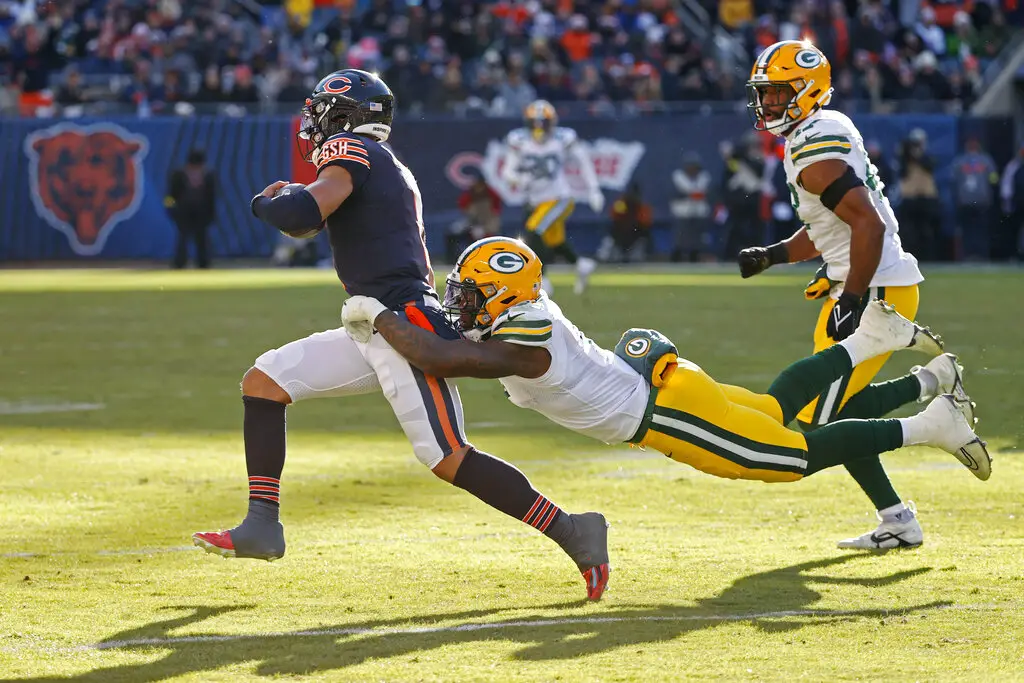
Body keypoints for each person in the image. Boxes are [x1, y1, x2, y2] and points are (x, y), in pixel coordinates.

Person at [191, 71, 610, 602]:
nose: (314, 122)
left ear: (344, 116)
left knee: (447, 455)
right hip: (373, 320)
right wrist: (293, 203)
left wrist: (267, 199)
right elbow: (309, 219)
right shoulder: (380, 162)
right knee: (265, 382)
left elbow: (301, 213)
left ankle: (574, 530)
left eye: (322, 110)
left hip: (402, 322)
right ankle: (262, 523)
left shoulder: (350, 149)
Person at [341, 238, 989, 517]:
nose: (462, 305)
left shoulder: (525, 340)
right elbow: (455, 337)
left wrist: (378, 317)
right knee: (771, 407)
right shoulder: (515, 317)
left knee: (786, 457)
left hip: (662, 413)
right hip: (665, 388)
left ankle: (928, 422)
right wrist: (409, 315)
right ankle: (894, 354)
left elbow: (450, 359)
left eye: (472, 294)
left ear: (505, 298)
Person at [737, 41, 946, 550]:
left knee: (814, 423)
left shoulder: (813, 146)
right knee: (835, 410)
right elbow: (832, 226)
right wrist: (775, 254)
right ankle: (898, 517)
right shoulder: (819, 130)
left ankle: (932, 406)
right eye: (763, 93)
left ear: (807, 91)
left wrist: (853, 298)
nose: (767, 104)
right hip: (867, 281)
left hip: (872, 287)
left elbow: (867, 225)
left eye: (778, 92)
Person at [502, 99, 603, 295]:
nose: (539, 127)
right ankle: (581, 264)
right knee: (554, 240)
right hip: (536, 201)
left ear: (552, 122)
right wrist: (518, 179)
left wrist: (593, 190)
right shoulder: (520, 141)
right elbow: (508, 171)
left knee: (533, 230)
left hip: (559, 197)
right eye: (535, 122)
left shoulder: (562, 139)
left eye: (544, 122)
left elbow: (583, 162)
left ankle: (543, 279)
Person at [165, 149, 216, 269]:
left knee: (201, 238)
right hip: (184, 212)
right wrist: (171, 208)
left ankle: (203, 263)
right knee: (183, 238)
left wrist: (211, 213)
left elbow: (211, 197)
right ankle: (180, 262)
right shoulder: (179, 175)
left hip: (201, 212)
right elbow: (171, 195)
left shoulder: (207, 175)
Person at [951, 137, 999, 260]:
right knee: (979, 229)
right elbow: (994, 179)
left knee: (970, 230)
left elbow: (953, 180)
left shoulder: (960, 161)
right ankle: (979, 254)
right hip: (980, 200)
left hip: (967, 200)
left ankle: (972, 254)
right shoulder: (985, 160)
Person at [448, 169, 501, 263]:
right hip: (471, 221)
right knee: (452, 232)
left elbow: (496, 210)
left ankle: (482, 259)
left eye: (480, 183)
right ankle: (452, 259)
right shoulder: (470, 193)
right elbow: (463, 205)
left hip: (486, 222)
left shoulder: (490, 193)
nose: (478, 186)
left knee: (480, 235)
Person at [670, 152, 713, 262]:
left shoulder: (704, 178)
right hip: (682, 213)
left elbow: (710, 195)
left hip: (699, 213)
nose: (692, 169)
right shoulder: (677, 177)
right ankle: (676, 260)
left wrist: (698, 195)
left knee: (697, 241)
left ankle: (694, 258)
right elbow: (673, 195)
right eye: (690, 167)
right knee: (680, 240)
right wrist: (690, 195)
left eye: (695, 167)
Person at [597, 181, 653, 263]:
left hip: (636, 234)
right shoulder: (621, 203)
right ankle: (605, 256)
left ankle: (638, 257)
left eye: (635, 194)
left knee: (644, 235)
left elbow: (646, 223)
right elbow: (614, 216)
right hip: (620, 233)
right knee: (611, 234)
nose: (633, 196)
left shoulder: (642, 207)